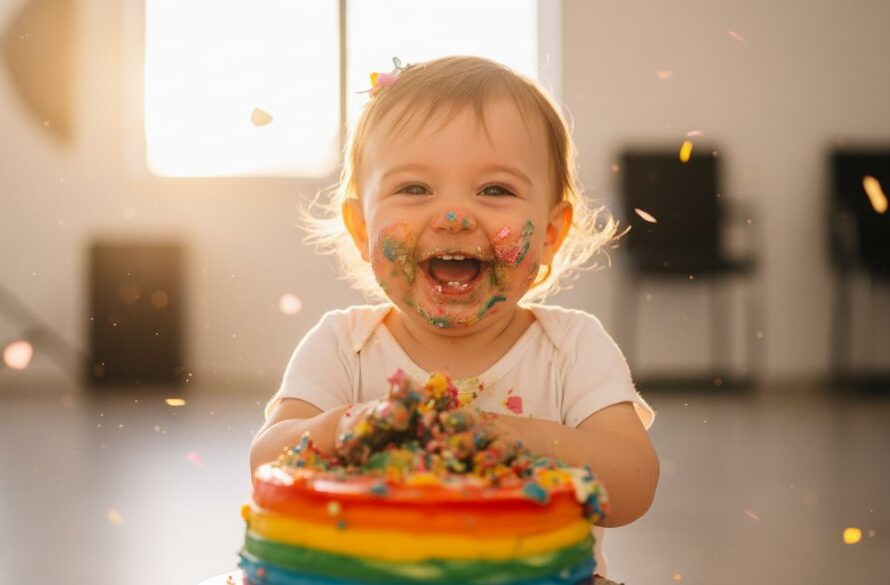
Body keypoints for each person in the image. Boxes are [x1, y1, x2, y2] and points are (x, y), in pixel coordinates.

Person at [249, 55, 658, 577]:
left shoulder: (572, 349)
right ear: (361, 228)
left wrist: (509, 438)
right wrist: (350, 426)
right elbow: (266, 464)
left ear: (552, 232)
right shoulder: (343, 346)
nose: (454, 216)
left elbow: (635, 483)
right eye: (414, 188)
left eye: (495, 190)